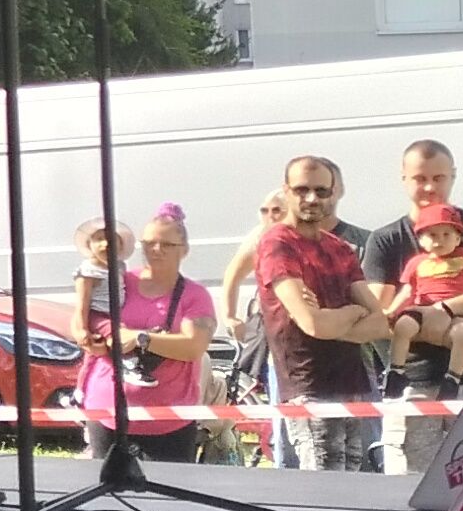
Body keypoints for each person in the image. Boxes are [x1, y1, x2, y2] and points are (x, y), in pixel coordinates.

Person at [362, 143, 463, 451]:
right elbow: (378, 310)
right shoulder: (385, 240)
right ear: (404, 178)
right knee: (410, 477)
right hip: (412, 384)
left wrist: (443, 309)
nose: (430, 187)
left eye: (439, 177)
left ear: (453, 176)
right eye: (420, 178)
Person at [248, 157, 396, 472]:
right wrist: (354, 311)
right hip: (309, 385)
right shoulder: (277, 243)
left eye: (321, 190)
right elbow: (312, 324)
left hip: (350, 382)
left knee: (352, 479)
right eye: (302, 190)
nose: (312, 198)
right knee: (324, 482)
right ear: (286, 191)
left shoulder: (339, 248)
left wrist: (333, 321)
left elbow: (380, 323)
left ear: (334, 193)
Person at [79, 208, 217, 463]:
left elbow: (193, 347)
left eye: (167, 244)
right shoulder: (118, 280)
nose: (156, 250)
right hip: (107, 412)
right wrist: (92, 338)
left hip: (169, 422)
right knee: (105, 486)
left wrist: (141, 338)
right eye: (149, 243)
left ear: (184, 250)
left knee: (168, 488)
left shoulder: (195, 295)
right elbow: (84, 315)